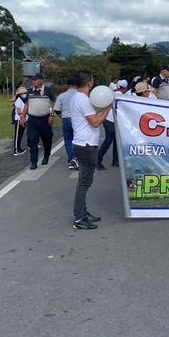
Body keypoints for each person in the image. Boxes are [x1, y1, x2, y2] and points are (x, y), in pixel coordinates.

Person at [69, 70, 114, 230]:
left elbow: (92, 118)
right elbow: (95, 122)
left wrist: (105, 109)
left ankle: (83, 212)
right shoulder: (83, 100)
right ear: (90, 82)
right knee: (84, 182)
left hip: (83, 143)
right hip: (85, 145)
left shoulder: (78, 98)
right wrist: (109, 108)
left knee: (85, 181)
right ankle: (79, 218)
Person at [20, 73, 56, 171]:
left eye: (35, 80)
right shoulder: (30, 91)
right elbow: (26, 105)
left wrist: (52, 115)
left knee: (47, 140)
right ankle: (33, 162)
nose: (33, 81)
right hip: (32, 120)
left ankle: (46, 156)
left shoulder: (48, 90)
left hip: (45, 119)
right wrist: (23, 117)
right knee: (32, 141)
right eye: (33, 80)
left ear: (41, 80)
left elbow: (53, 102)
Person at [54, 76, 79, 171]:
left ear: (67, 85)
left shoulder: (62, 95)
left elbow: (56, 109)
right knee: (78, 140)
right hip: (77, 119)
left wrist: (62, 116)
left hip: (66, 119)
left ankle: (72, 159)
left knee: (68, 140)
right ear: (76, 84)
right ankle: (79, 159)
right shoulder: (80, 95)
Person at [12, 86, 27, 156]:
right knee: (18, 135)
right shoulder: (18, 100)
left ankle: (19, 148)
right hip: (19, 119)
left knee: (20, 135)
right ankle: (16, 150)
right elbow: (18, 111)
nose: (25, 94)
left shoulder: (24, 100)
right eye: (23, 93)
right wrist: (25, 112)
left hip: (24, 119)